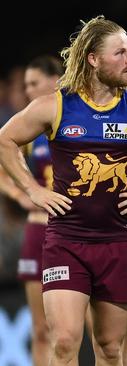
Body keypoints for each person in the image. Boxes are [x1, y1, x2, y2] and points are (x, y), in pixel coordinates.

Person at [0, 16, 127, 365]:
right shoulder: (56, 106)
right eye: (121, 53)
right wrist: (33, 190)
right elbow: (5, 140)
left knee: (109, 348)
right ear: (93, 58)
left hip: (118, 243)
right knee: (63, 342)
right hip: (66, 240)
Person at [0, 55, 62, 366]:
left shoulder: (79, 119)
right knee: (40, 329)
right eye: (25, 85)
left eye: (34, 83)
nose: (27, 91)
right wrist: (22, 191)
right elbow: (2, 165)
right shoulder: (28, 129)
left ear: (57, 81)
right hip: (38, 230)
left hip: (74, 232)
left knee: (76, 330)